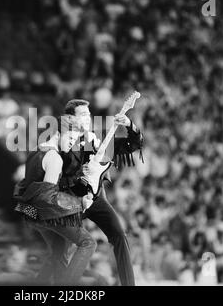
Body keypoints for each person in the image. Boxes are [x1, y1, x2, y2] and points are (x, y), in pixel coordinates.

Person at [59, 99, 144, 286]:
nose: (88, 118)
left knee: (120, 236)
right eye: (82, 115)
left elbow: (134, 144)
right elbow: (56, 179)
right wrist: (79, 174)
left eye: (88, 114)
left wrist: (129, 124)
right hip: (72, 199)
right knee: (62, 246)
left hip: (96, 198)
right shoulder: (61, 142)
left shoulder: (98, 140)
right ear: (71, 119)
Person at [13, 115, 96, 285]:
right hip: (41, 213)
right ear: (58, 134)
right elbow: (47, 200)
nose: (72, 143)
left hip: (29, 211)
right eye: (71, 138)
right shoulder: (54, 158)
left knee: (59, 251)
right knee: (88, 242)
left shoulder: (36, 151)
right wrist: (79, 203)